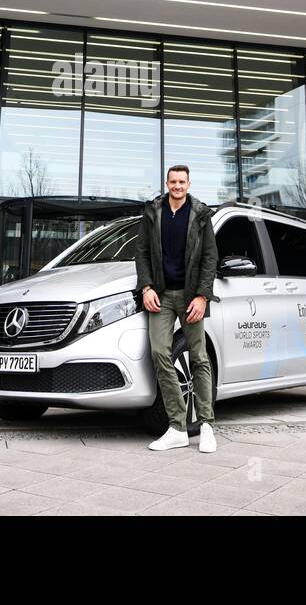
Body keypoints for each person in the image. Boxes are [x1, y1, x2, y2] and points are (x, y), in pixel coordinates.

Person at [135, 165, 219, 452]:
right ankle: (177, 427)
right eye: (173, 181)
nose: (177, 186)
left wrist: (203, 297)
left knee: (198, 356)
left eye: (182, 181)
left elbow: (210, 258)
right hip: (160, 295)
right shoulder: (153, 212)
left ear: (188, 183)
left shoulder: (201, 215)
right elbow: (142, 253)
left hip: (190, 296)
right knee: (160, 353)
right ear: (167, 183)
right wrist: (146, 288)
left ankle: (206, 425)